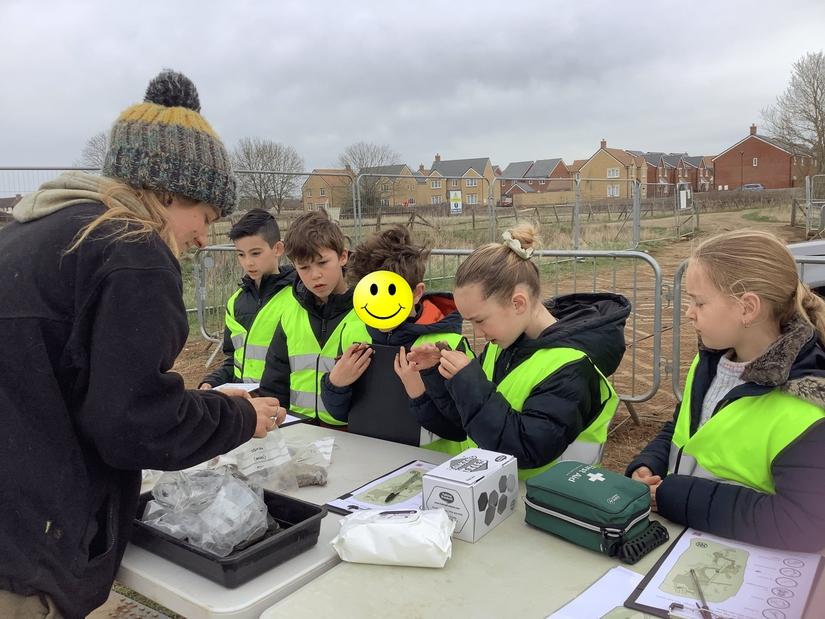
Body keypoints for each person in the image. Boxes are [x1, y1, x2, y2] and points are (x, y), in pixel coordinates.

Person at [0, 70, 286, 619]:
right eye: (205, 216)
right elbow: (137, 424)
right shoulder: (131, 248)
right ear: (170, 190)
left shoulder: (31, 236)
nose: (205, 237)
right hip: (31, 555)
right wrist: (238, 417)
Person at [626, 230, 825, 551]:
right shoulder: (709, 363)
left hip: (747, 571)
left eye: (699, 302)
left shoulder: (808, 408)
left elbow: (806, 524)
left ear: (747, 308)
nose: (689, 312)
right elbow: (682, 432)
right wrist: (649, 464)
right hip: (687, 544)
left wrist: (674, 495)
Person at [406, 223, 630, 478]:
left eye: (479, 320)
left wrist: (468, 381)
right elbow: (466, 424)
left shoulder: (571, 368)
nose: (478, 333)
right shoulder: (504, 345)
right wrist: (440, 373)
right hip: (500, 498)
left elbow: (525, 448)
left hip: (547, 506)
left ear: (518, 303)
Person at [321, 226, 472, 451]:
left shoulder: (448, 344)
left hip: (433, 470)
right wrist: (335, 385)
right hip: (371, 463)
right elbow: (340, 413)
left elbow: (459, 428)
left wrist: (419, 393)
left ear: (417, 292)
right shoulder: (352, 333)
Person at [259, 210, 363, 427]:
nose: (315, 275)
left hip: (353, 434)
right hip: (298, 431)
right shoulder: (290, 313)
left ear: (343, 256)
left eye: (323, 262)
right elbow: (274, 382)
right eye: (304, 267)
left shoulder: (367, 311)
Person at [199, 208, 295, 388]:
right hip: (246, 403)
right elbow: (235, 361)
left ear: (278, 248)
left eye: (255, 253)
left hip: (282, 404)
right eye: (241, 254)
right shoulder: (235, 302)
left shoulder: (298, 297)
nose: (248, 262)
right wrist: (212, 382)